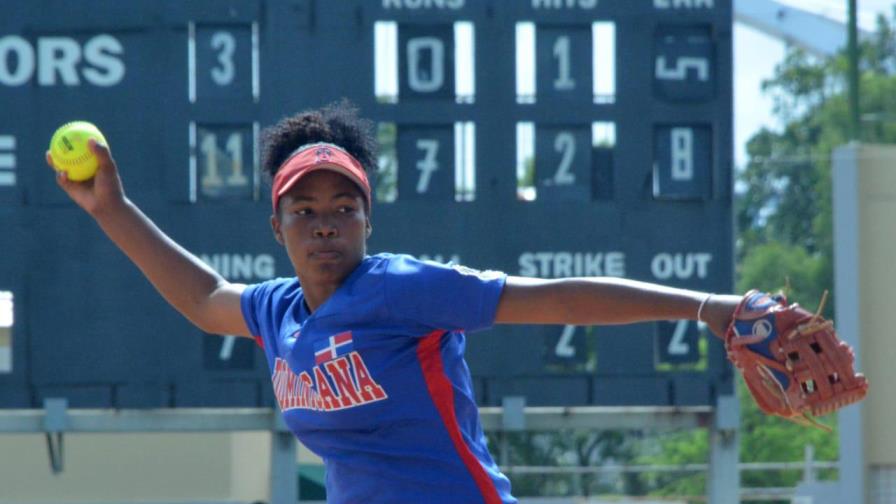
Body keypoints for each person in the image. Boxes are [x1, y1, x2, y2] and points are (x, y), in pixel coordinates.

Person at [48, 101, 741, 504]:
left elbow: (555, 299)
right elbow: (204, 298)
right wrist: (111, 208)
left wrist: (708, 306)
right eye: (305, 209)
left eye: (345, 207)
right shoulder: (278, 312)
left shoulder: (400, 289)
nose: (326, 222)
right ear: (277, 227)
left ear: (367, 222)